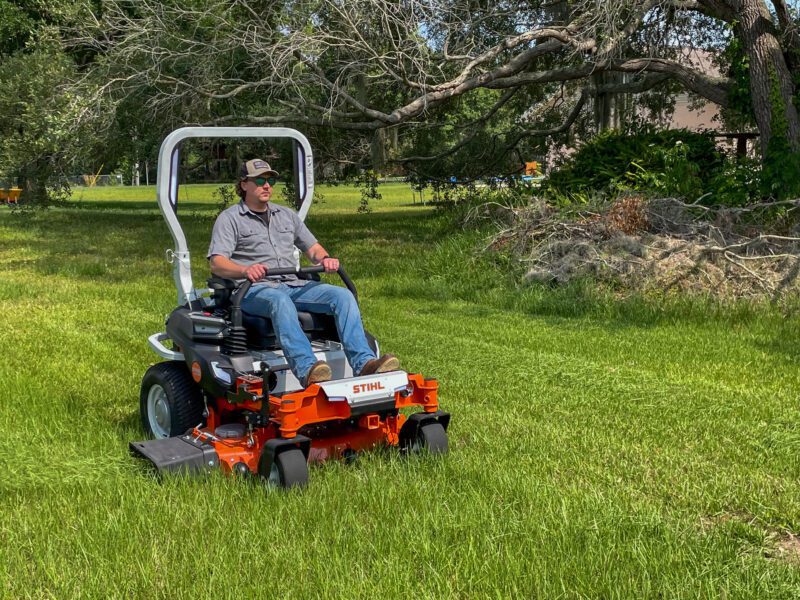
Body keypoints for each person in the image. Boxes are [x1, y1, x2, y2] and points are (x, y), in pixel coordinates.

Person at [207, 159, 400, 387]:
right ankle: (308, 369)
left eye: (271, 180)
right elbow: (217, 263)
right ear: (244, 184)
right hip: (253, 290)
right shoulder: (230, 219)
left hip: (292, 284)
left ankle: (365, 363)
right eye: (260, 180)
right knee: (279, 300)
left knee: (343, 296)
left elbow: (313, 248)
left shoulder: (286, 215)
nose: (267, 185)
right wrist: (245, 269)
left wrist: (325, 259)